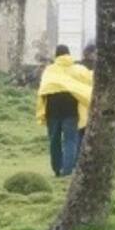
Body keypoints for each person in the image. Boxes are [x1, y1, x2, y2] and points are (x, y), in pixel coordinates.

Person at [36, 44, 93, 177]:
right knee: (70, 140)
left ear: (56, 56)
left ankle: (56, 168)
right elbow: (90, 80)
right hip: (71, 111)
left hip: (52, 110)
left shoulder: (49, 70)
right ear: (69, 55)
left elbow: (44, 88)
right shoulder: (78, 69)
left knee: (54, 140)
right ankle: (67, 170)